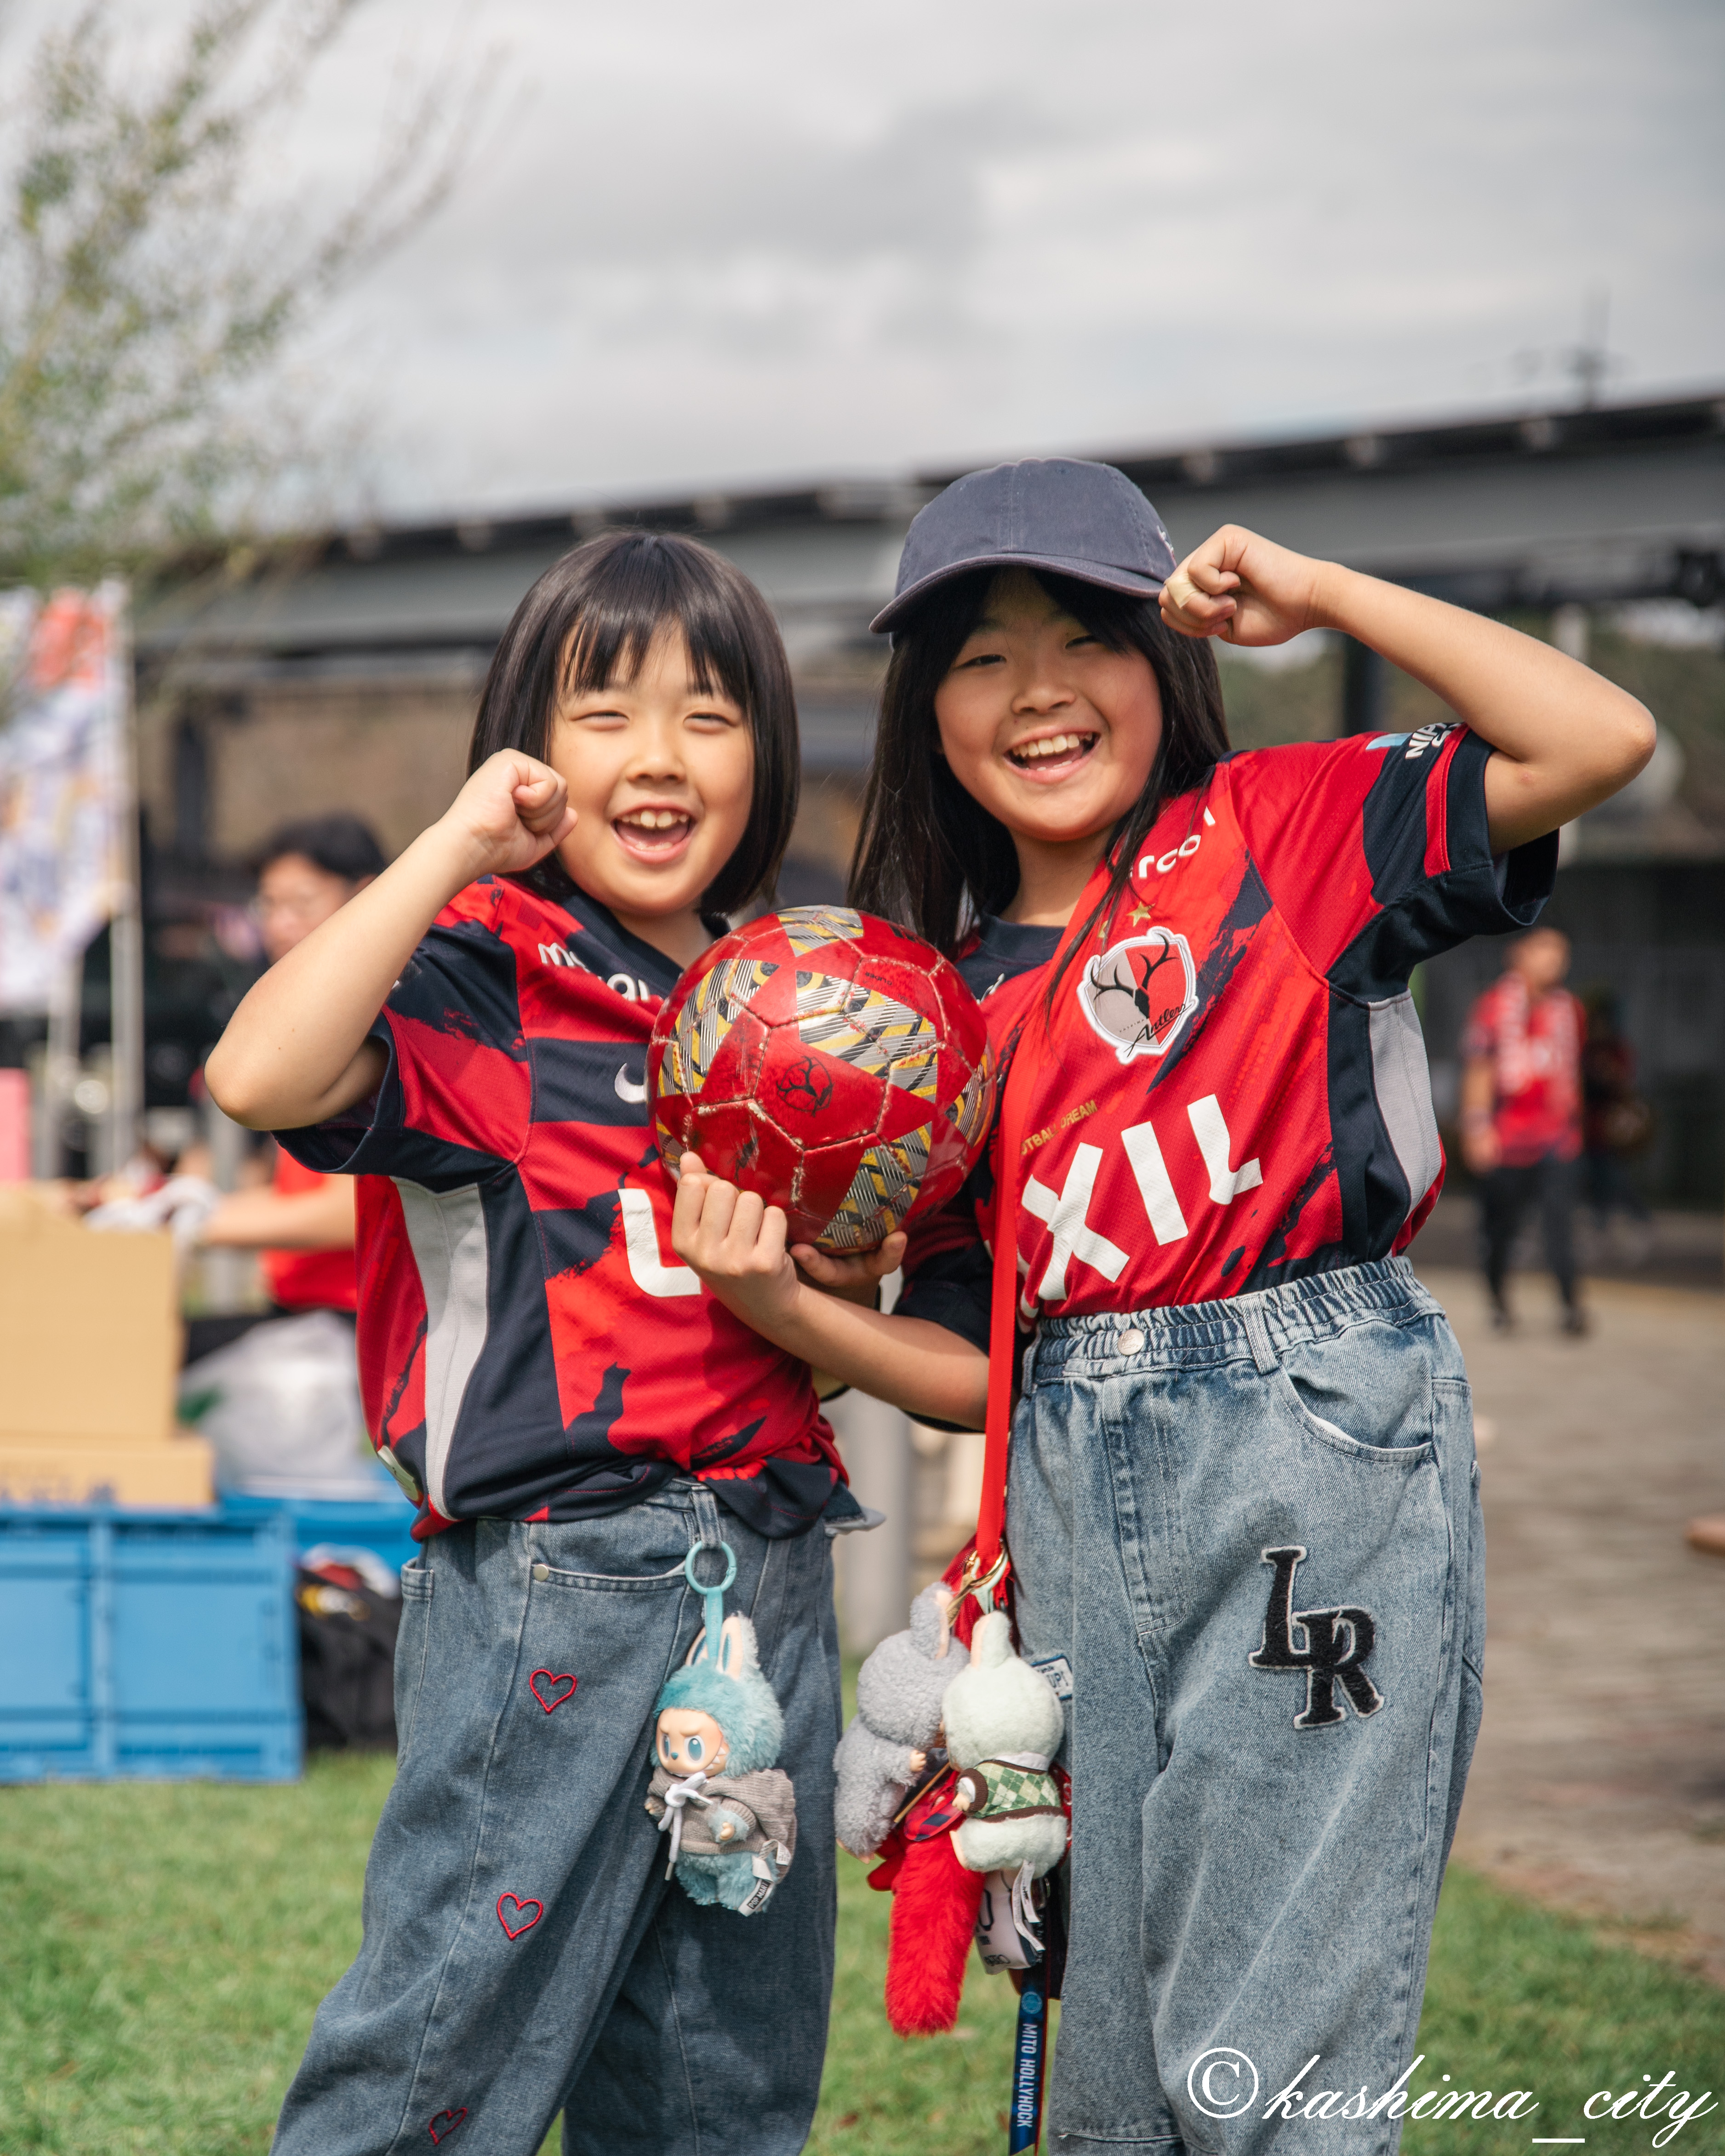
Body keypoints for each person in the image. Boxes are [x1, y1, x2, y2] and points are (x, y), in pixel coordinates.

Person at [668, 461, 1656, 2156]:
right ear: (928, 713)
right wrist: (783, 1302)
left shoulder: (1287, 826)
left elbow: (1594, 738)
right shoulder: (937, 1011)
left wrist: (1329, 594)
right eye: (980, 656)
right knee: (1106, 2032)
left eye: (1083, 637)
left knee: (1266, 2035)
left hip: (1313, 1445)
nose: (1037, 687)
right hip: (1069, 1488)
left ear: (1172, 656)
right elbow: (978, 1365)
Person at [206, 531, 852, 2156]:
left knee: (723, 2081)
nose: (657, 758)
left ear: (767, 750)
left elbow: (813, 1332)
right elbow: (258, 1077)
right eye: (606, 712)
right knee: (440, 2053)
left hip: (764, 1588)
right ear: (529, 746)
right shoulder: (487, 971)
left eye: (710, 715)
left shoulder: (785, 999)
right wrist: (452, 848)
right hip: (551, 1588)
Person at [188, 816, 388, 1353]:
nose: (279, 924)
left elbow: (351, 1207)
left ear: (366, 895)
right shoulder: (301, 1016)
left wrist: (197, 1223)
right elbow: (279, 1181)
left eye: (300, 903)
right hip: (299, 1309)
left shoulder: (389, 1018)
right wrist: (174, 1201)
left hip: (363, 1325)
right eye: (268, 906)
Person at [1459, 926, 1588, 1332]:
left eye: (1562, 951)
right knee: (1501, 1230)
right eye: (1546, 949)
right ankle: (1499, 1300)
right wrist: (1477, 1129)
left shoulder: (1570, 1009)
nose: (1556, 960)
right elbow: (1480, 1069)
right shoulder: (1494, 1006)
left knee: (1561, 1227)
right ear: (1520, 953)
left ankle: (1571, 1307)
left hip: (1556, 1139)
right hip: (1507, 1139)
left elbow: (1572, 1071)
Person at [1580, 987, 1654, 1253]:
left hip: (1612, 1128)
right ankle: (1601, 1228)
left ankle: (1640, 1220)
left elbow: (1623, 1084)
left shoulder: (1617, 1050)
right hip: (1589, 1127)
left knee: (1615, 1179)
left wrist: (1605, 1072)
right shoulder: (1585, 1049)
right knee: (1597, 1179)